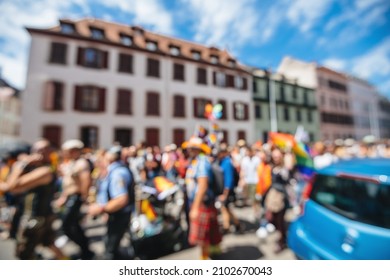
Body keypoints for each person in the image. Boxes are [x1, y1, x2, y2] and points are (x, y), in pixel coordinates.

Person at [0, 139, 67, 259]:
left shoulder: (44, 171)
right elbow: (15, 189)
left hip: (36, 217)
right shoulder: (39, 169)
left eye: (43, 150)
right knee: (48, 243)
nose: (38, 153)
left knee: (24, 252)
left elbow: (12, 186)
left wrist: (20, 165)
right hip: (41, 214)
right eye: (36, 150)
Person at [88, 146, 134, 260]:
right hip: (116, 213)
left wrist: (102, 208)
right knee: (111, 244)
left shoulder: (117, 173)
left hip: (120, 214)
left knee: (110, 248)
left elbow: (121, 199)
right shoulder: (113, 171)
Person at [182, 136, 222, 260]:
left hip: (202, 203)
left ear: (196, 149)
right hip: (198, 201)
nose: (188, 150)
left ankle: (205, 258)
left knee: (202, 234)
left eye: (190, 148)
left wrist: (194, 207)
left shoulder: (202, 162)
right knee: (209, 231)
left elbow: (203, 185)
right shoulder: (195, 161)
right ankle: (213, 253)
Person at [54, 139, 94, 259]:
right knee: (74, 225)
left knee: (67, 225)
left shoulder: (82, 163)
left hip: (76, 198)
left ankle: (86, 250)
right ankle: (85, 251)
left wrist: (84, 198)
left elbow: (86, 181)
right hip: (70, 197)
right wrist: (63, 197)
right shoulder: (73, 162)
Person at [263, 148, 291, 253]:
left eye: (278, 156)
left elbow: (287, 181)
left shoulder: (284, 169)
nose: (276, 158)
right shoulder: (272, 167)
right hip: (272, 195)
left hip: (280, 197)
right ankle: (282, 237)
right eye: (274, 156)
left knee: (280, 221)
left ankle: (282, 241)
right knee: (272, 218)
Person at [216, 144, 241, 234]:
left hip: (227, 190)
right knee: (226, 208)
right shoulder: (223, 161)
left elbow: (229, 179)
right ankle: (237, 224)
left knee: (224, 207)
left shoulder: (227, 162)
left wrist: (225, 193)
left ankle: (227, 227)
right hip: (224, 189)